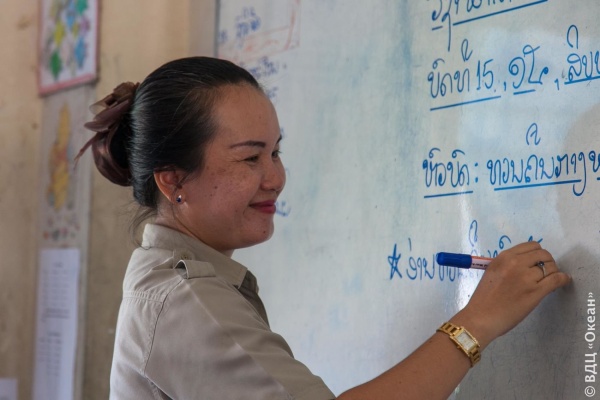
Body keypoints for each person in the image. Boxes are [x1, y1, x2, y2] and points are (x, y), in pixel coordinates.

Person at [78, 56, 571, 400]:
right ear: (172, 181)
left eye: (275, 152)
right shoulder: (186, 300)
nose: (275, 178)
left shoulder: (176, 280)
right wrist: (477, 322)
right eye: (250, 158)